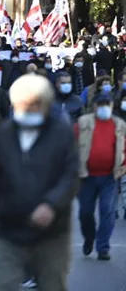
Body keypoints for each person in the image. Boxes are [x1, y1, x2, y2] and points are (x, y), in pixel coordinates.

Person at [0, 74, 78, 291]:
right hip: (9, 229)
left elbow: (70, 175)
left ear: (46, 105)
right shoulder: (3, 134)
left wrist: (51, 204)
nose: (29, 110)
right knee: (4, 283)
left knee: (52, 284)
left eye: (35, 104)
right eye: (23, 104)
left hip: (52, 231)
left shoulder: (62, 133)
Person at [75, 92, 126, 261]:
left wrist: (123, 167)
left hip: (110, 177)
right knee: (85, 213)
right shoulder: (83, 123)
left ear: (112, 106)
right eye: (101, 104)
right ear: (95, 106)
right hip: (86, 176)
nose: (104, 108)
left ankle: (103, 247)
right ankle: (89, 238)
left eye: (107, 104)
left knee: (107, 211)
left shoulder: (119, 125)